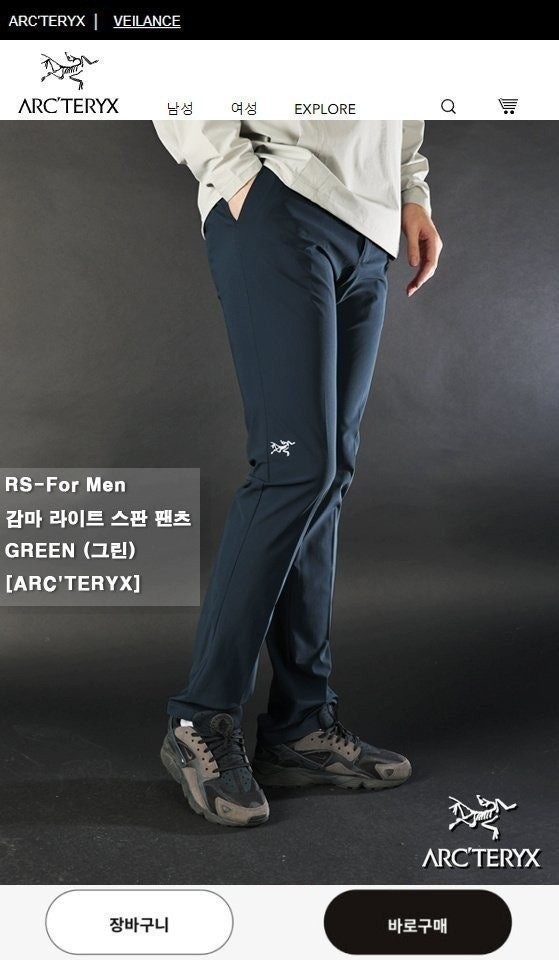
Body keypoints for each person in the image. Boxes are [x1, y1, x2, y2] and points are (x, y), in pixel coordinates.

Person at [153, 120, 442, 827]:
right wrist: (233, 172)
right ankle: (199, 718)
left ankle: (300, 726)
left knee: (326, 475)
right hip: (280, 201)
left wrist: (411, 191)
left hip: (369, 226)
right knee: (293, 469)